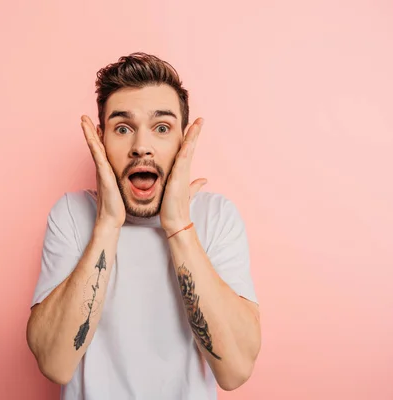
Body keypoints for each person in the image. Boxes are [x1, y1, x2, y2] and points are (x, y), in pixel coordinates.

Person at [26, 52, 261, 400]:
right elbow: (55, 363)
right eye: (123, 129)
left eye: (162, 128)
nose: (141, 147)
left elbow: (236, 370)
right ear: (101, 140)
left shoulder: (216, 218)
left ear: (183, 140)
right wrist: (107, 222)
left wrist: (179, 225)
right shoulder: (73, 216)